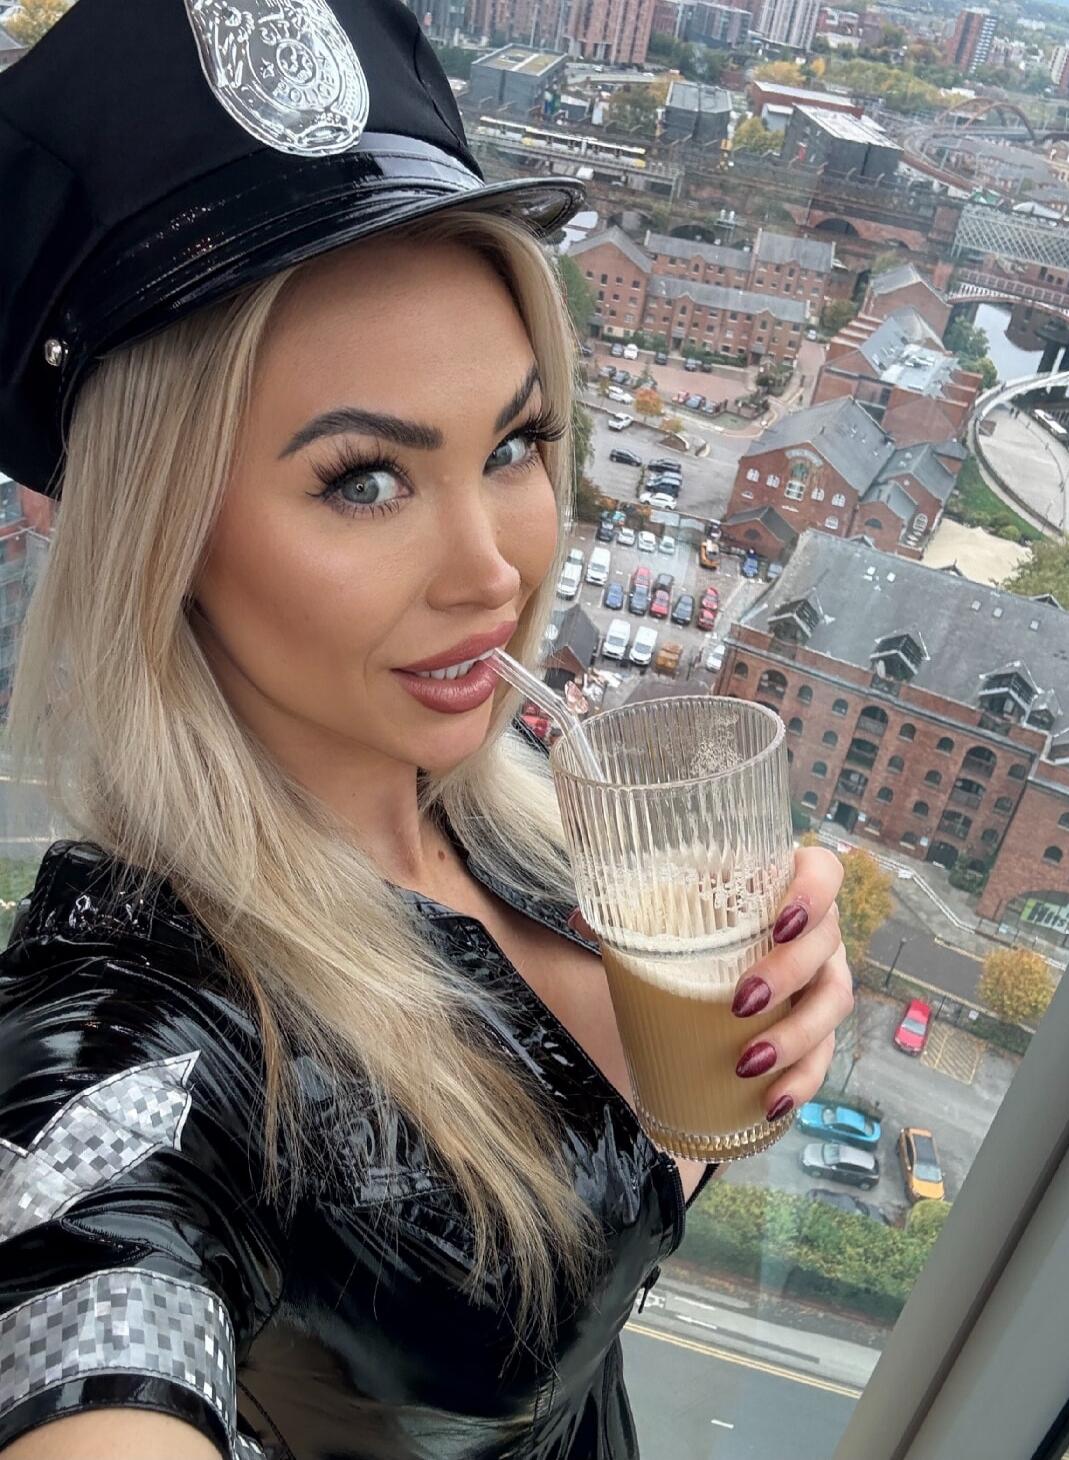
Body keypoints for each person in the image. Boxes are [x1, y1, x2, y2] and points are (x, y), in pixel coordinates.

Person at [0, 4, 853, 1458]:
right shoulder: (132, 1026)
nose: (496, 571)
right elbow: (91, 1300)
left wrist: (743, 1058)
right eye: (364, 480)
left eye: (514, 445)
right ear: (167, 536)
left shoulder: (515, 828)